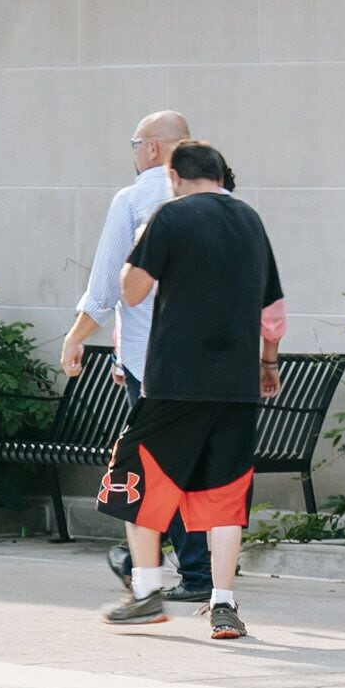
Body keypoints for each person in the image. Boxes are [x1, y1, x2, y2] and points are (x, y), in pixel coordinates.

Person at [101, 140, 284, 639]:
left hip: (176, 380)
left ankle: (144, 593)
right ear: (221, 176)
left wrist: (137, 247)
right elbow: (273, 312)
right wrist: (268, 364)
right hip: (237, 384)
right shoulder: (250, 220)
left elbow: (132, 290)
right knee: (225, 493)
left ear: (175, 177)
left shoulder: (170, 216)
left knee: (132, 477)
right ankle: (223, 605)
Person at [63, 110, 208, 598]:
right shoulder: (218, 202)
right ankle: (189, 568)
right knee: (190, 463)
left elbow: (109, 284)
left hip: (153, 361)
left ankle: (173, 569)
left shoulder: (135, 198)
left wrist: (77, 335)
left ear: (150, 149)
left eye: (133, 144)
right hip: (206, 361)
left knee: (154, 463)